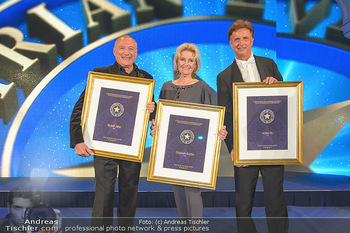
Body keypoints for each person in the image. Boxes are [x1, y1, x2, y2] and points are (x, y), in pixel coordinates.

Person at [70, 35, 155, 233]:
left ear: (136, 51)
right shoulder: (100, 74)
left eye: (131, 48)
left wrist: (154, 108)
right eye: (123, 48)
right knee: (103, 195)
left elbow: (149, 110)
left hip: (131, 147)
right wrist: (77, 141)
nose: (127, 52)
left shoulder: (146, 78)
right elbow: (79, 109)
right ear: (115, 52)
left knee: (129, 194)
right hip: (103, 145)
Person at [216, 20, 289, 233]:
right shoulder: (223, 76)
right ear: (230, 43)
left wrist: (276, 86)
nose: (241, 42)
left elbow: (284, 101)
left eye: (245, 38)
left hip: (273, 144)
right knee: (243, 202)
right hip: (243, 148)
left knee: (275, 198)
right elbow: (226, 113)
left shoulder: (269, 64)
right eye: (236, 39)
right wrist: (232, 147)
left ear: (252, 40)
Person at [151, 43, 227, 233]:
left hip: (195, 151)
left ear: (196, 65)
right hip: (172, 150)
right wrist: (155, 128)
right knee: (179, 194)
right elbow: (160, 118)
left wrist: (220, 131)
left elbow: (211, 119)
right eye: (182, 59)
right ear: (176, 63)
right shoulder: (166, 87)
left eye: (190, 60)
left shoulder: (202, 87)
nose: (186, 63)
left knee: (193, 195)